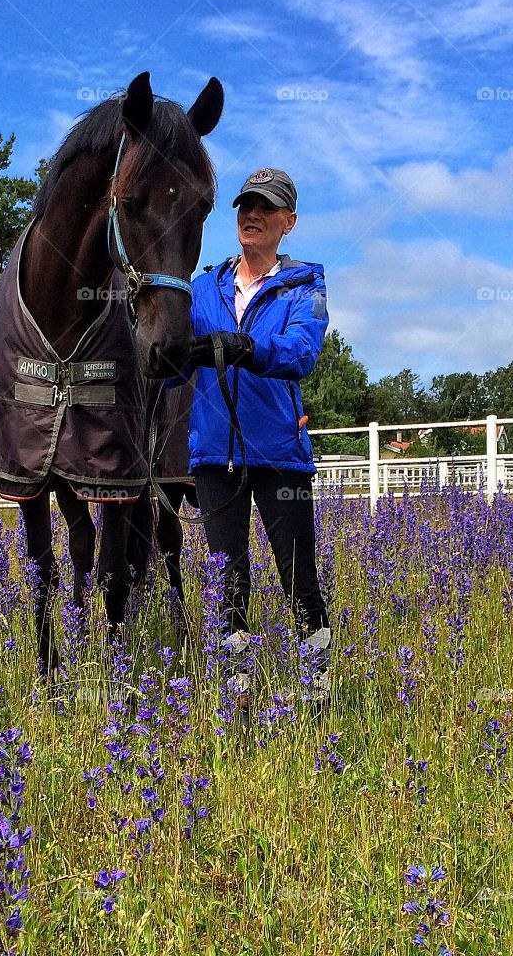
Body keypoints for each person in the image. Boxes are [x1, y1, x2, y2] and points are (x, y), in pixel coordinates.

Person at [181, 167, 332, 705]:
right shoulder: (202, 288)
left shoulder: (306, 287)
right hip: (213, 455)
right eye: (246, 205)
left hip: (280, 456)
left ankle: (316, 688)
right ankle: (238, 688)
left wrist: (248, 348)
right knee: (228, 577)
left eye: (266, 208)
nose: (252, 215)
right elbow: (175, 363)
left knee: (298, 575)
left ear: (288, 222)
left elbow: (303, 352)